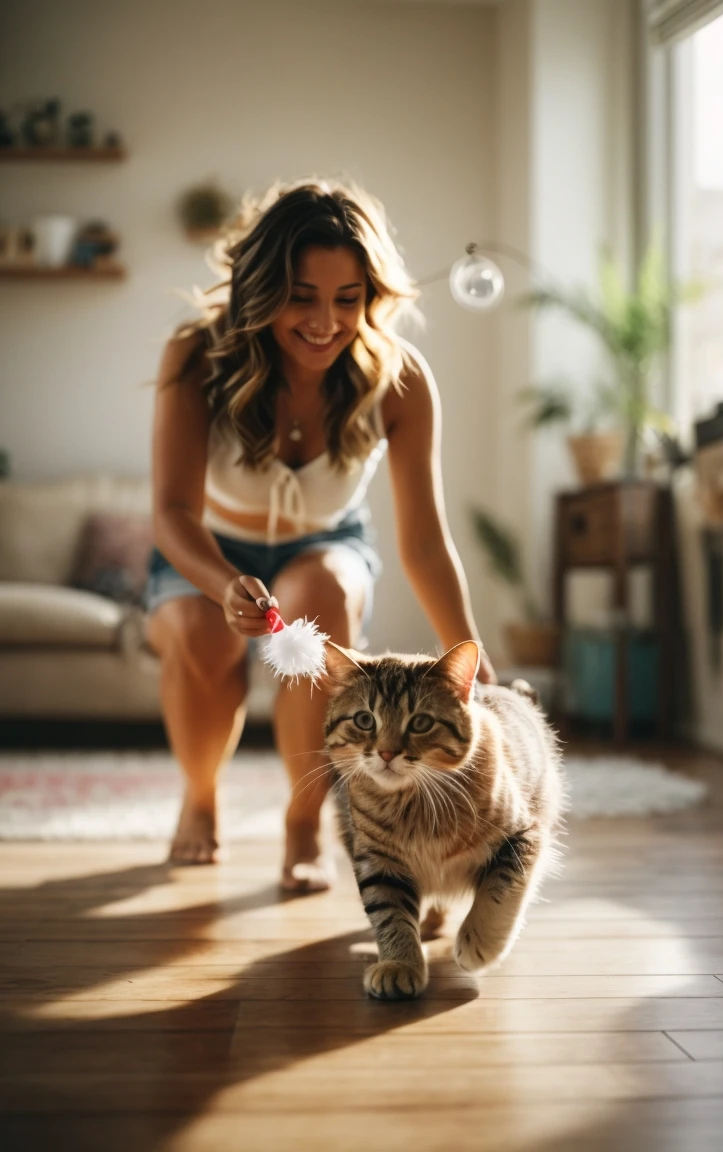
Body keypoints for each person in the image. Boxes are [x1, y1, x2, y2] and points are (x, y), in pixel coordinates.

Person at [145, 178, 497, 885]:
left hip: (325, 544)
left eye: (347, 299)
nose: (324, 322)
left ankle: (304, 824)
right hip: (208, 546)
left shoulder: (400, 380)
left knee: (322, 598)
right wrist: (222, 585)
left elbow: (424, 540)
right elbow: (172, 513)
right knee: (198, 631)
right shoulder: (197, 355)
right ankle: (200, 798)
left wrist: (472, 656)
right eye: (301, 296)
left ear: (372, 296)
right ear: (262, 288)